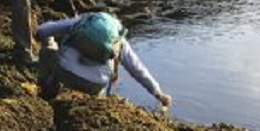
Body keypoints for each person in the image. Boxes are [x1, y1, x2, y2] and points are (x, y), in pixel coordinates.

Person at [35, 11, 172, 108]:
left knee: (48, 51)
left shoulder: (84, 21)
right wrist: (159, 94)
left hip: (66, 74)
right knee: (101, 75)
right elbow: (137, 69)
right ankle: (95, 104)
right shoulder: (119, 40)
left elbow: (43, 30)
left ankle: (48, 92)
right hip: (96, 84)